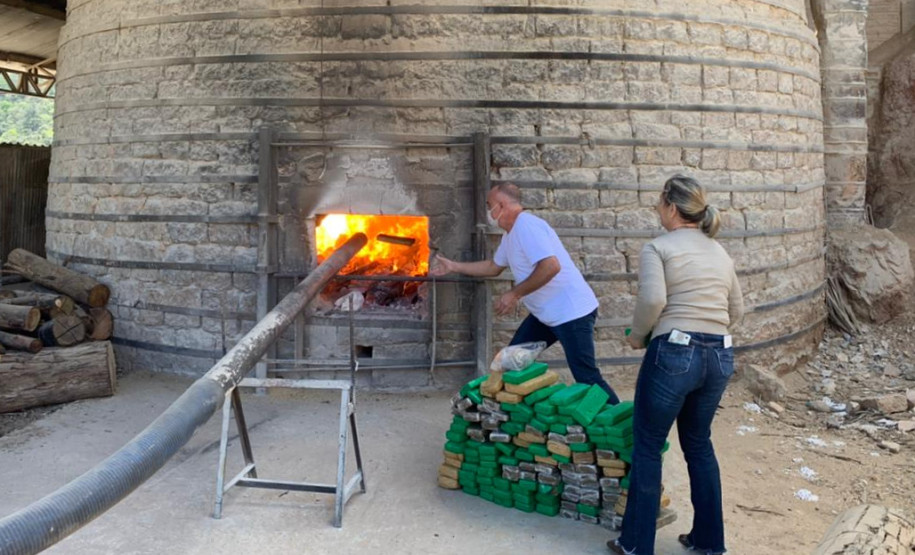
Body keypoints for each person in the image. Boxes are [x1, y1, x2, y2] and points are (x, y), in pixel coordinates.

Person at [608, 175, 744, 555]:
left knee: (649, 446)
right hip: (719, 354)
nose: (657, 209)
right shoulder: (719, 252)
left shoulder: (658, 247)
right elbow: (738, 311)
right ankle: (709, 542)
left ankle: (636, 544)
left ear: (670, 205)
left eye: (658, 203)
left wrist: (638, 336)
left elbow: (653, 300)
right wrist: (709, 335)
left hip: (674, 351)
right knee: (699, 445)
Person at [432, 182, 620, 405]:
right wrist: (454, 266)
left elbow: (551, 266)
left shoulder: (527, 226)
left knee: (587, 376)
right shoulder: (510, 236)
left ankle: (622, 426)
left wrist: (514, 294)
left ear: (501, 205)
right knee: (511, 362)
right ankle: (507, 419)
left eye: (489, 205)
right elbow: (493, 266)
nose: (488, 211)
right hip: (546, 315)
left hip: (572, 313)